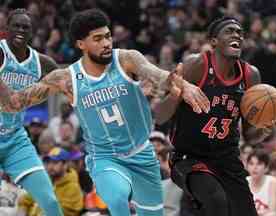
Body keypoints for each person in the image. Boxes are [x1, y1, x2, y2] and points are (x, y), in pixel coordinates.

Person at [0, 9, 210, 216]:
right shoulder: (66, 78)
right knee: (118, 197)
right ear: (81, 44)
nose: (107, 43)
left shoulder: (127, 59)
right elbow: (15, 103)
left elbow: (158, 76)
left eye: (108, 36)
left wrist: (184, 85)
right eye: (98, 39)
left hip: (142, 153)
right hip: (104, 157)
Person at [153, 16, 276, 216]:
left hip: (227, 159)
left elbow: (250, 136)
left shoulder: (251, 75)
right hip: (188, 157)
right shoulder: (196, 65)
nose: (237, 35)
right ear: (213, 41)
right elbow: (160, 117)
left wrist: (266, 127)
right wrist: (176, 93)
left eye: (240, 32)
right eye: (230, 31)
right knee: (216, 200)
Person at [0, 8, 63, 216]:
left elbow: (67, 80)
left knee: (51, 202)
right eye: (16, 25)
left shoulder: (42, 63)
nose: (20, 30)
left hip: (15, 139)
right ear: (6, 29)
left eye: (25, 27)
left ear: (32, 32)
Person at [246, 150, 276, 216]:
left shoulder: (272, 182)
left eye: (259, 164)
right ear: (247, 167)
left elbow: (273, 212)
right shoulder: (243, 182)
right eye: (251, 163)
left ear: (266, 168)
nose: (254, 167)